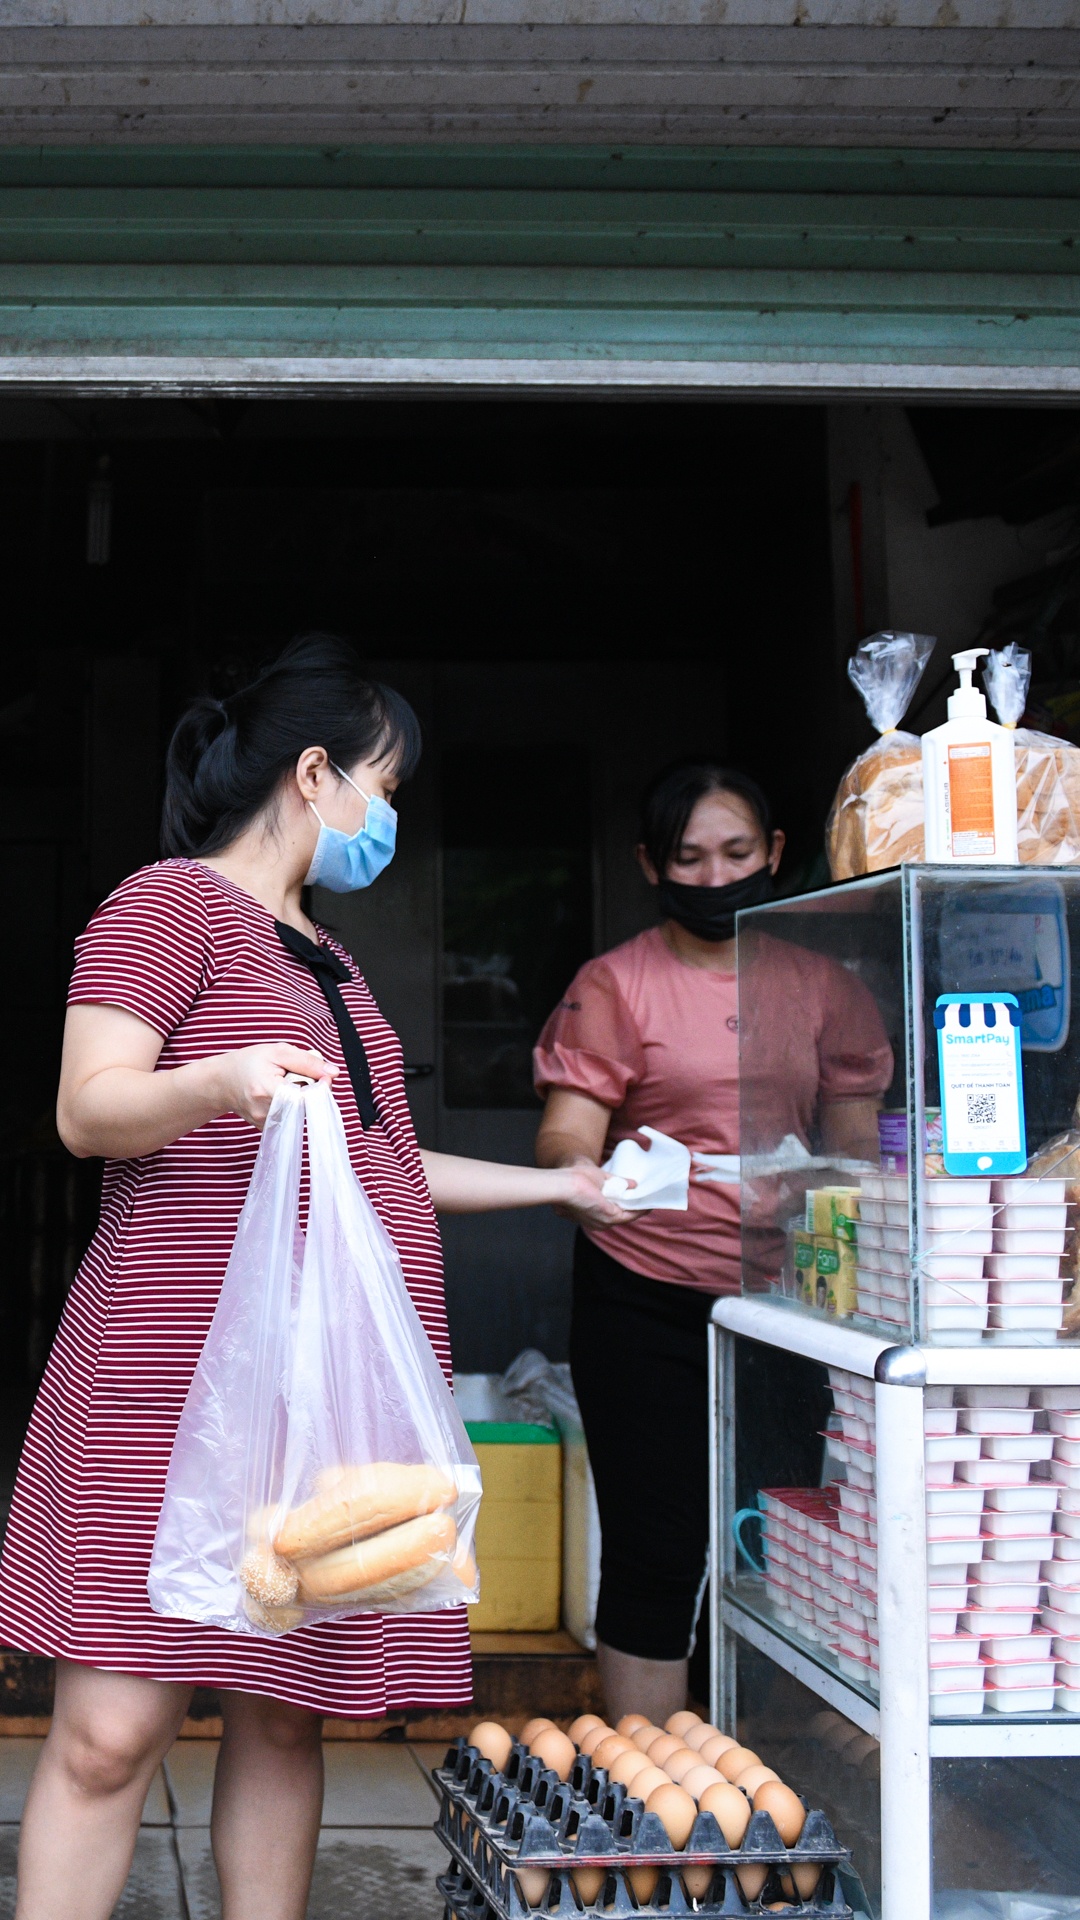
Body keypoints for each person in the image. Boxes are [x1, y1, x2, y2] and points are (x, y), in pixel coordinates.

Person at [2, 634, 626, 1920]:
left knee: (287, 1721)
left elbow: (385, 1164)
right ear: (315, 773)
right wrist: (218, 1080)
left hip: (321, 1396)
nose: (385, 817)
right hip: (166, 1384)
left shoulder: (326, 956)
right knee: (112, 1730)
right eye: (383, 788)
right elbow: (87, 1108)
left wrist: (562, 1185)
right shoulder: (165, 905)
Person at [534, 759, 892, 1724]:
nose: (714, 875)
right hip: (641, 1291)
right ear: (653, 865)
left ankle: (763, 1768)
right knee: (657, 1545)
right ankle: (649, 1796)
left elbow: (858, 1153)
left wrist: (830, 1184)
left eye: (736, 852)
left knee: (773, 1536)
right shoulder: (616, 984)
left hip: (789, 1304)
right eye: (688, 858)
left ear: (775, 854)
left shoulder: (825, 988)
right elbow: (566, 1138)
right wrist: (591, 1182)